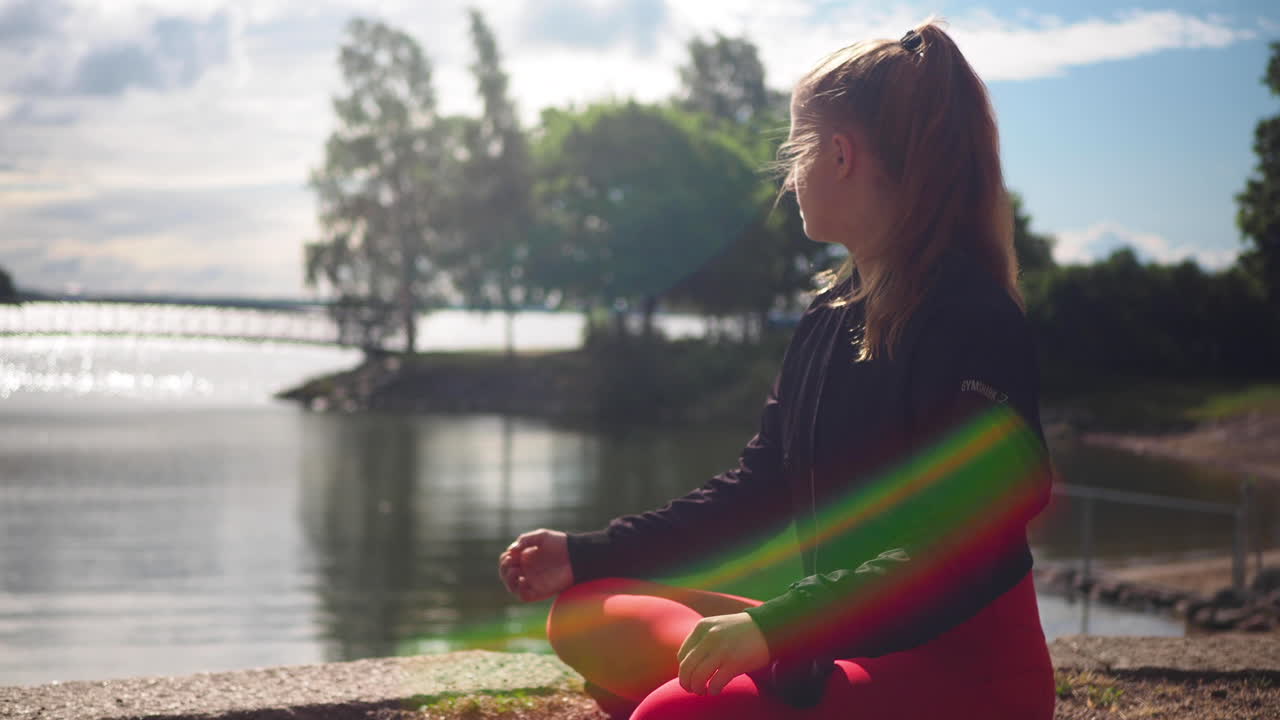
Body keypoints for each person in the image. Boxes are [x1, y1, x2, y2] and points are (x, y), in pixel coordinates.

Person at [497, 18, 1057, 720]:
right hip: (837, 639)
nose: (791, 176)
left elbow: (956, 550)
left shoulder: (972, 320)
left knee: (674, 714)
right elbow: (756, 490)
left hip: (962, 681)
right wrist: (586, 554)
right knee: (580, 612)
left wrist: (776, 627)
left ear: (841, 154)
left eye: (797, 150)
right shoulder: (829, 315)